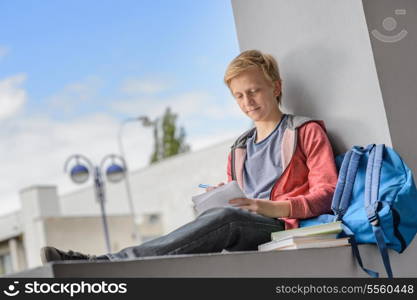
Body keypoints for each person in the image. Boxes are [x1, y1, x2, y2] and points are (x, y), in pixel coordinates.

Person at [40, 50, 338, 263]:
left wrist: (272, 207)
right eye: (239, 96)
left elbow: (327, 194)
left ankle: (103, 263)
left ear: (275, 87)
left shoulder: (305, 131)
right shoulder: (239, 148)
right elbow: (240, 199)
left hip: (280, 224)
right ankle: (104, 261)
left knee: (224, 220)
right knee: (217, 215)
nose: (248, 102)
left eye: (254, 91)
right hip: (244, 223)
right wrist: (223, 195)